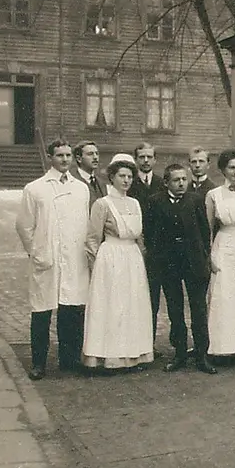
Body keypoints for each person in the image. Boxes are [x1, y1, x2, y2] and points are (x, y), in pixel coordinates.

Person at [15, 139, 92, 379]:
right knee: (42, 311)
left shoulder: (81, 188)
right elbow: (24, 226)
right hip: (47, 258)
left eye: (68, 155)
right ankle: (39, 363)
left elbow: (84, 224)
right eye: (60, 155)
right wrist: (36, 252)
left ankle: (69, 359)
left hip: (74, 258)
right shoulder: (35, 188)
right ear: (50, 157)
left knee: (72, 310)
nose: (65, 160)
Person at [81, 154, 154, 372]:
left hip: (132, 258)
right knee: (113, 305)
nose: (126, 180)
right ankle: (109, 356)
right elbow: (93, 238)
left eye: (130, 176)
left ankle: (133, 354)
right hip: (110, 258)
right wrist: (96, 268)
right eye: (121, 176)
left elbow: (139, 237)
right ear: (111, 178)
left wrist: (142, 257)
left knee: (132, 304)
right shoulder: (102, 204)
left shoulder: (134, 203)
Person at [144, 164, 216, 374]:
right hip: (168, 264)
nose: (181, 183)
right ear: (166, 182)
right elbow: (150, 233)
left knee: (198, 309)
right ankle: (180, 353)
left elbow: (204, 232)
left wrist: (203, 257)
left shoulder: (195, 200)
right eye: (176, 180)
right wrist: (158, 256)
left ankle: (202, 354)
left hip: (193, 262)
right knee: (175, 310)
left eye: (184, 179)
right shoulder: (155, 202)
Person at [205, 149, 235, 360]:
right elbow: (207, 228)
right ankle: (219, 347)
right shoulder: (213, 195)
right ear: (223, 169)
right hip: (223, 244)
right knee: (222, 296)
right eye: (232, 168)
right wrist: (209, 256)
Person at [129, 141, 167, 337]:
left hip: (157, 249)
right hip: (133, 246)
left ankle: (149, 342)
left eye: (149, 157)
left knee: (153, 296)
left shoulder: (162, 184)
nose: (145, 161)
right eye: (141, 157)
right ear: (136, 160)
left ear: (155, 159)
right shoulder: (128, 183)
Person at [74, 140, 105, 207]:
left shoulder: (101, 183)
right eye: (90, 154)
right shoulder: (73, 181)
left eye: (97, 153)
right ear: (79, 159)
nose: (95, 157)